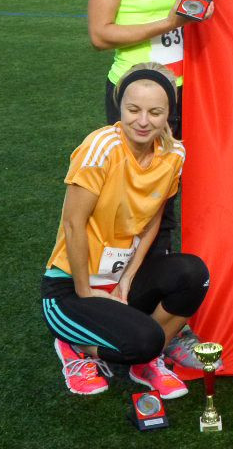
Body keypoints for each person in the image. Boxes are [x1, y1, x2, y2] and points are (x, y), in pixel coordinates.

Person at [87, 0, 214, 370]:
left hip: (185, 96)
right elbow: (100, 33)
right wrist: (167, 22)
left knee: (178, 207)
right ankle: (117, 322)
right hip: (137, 99)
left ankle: (169, 319)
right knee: (134, 211)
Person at [41, 62, 211, 397]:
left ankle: (143, 361)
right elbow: (74, 225)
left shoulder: (174, 153)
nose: (143, 121)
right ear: (120, 108)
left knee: (194, 273)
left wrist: (129, 278)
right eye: (133, 109)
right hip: (70, 287)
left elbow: (153, 218)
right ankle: (74, 346)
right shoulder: (100, 147)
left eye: (155, 112)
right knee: (145, 340)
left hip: (116, 279)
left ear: (168, 115)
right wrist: (86, 293)